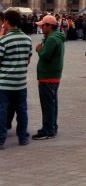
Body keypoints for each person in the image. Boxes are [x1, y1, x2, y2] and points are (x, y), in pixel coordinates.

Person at [0, 10, 33, 149]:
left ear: (6, 22)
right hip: (20, 82)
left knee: (2, 111)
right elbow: (28, 59)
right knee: (22, 111)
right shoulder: (27, 38)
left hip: (5, 83)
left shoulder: (4, 40)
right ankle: (22, 138)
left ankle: (1, 140)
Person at [33, 14, 65, 140]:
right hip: (53, 75)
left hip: (48, 75)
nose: (41, 28)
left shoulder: (52, 39)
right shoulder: (55, 36)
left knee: (47, 104)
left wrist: (39, 49)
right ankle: (52, 126)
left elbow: (45, 56)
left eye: (43, 26)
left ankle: (48, 130)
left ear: (50, 26)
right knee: (52, 103)